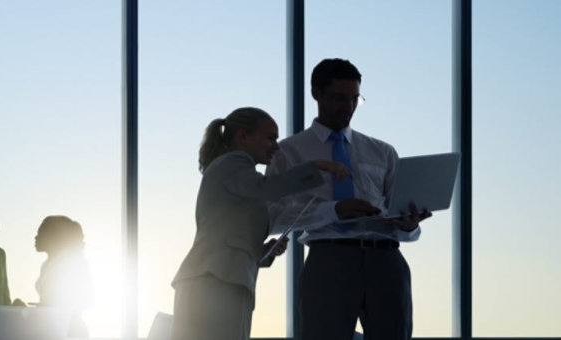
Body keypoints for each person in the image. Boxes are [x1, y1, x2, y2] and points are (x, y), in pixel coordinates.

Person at [269, 58, 432, 340]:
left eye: (355, 99)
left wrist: (409, 225)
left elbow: (401, 215)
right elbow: (272, 218)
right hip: (329, 259)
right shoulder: (288, 153)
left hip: (387, 259)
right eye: (339, 98)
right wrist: (334, 211)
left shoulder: (383, 152)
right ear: (316, 94)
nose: (348, 107)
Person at [172, 107, 348, 340]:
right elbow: (268, 188)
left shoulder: (234, 174)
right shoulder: (234, 162)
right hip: (216, 280)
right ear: (242, 136)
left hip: (218, 279)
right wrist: (318, 167)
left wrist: (263, 252)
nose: (276, 146)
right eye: (270, 138)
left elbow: (229, 235)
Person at [34, 215, 94, 337]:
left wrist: (56, 306)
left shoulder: (73, 261)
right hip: (53, 328)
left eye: (40, 233)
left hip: (70, 330)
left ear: (53, 236)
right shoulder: (46, 264)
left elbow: (88, 298)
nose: (36, 237)